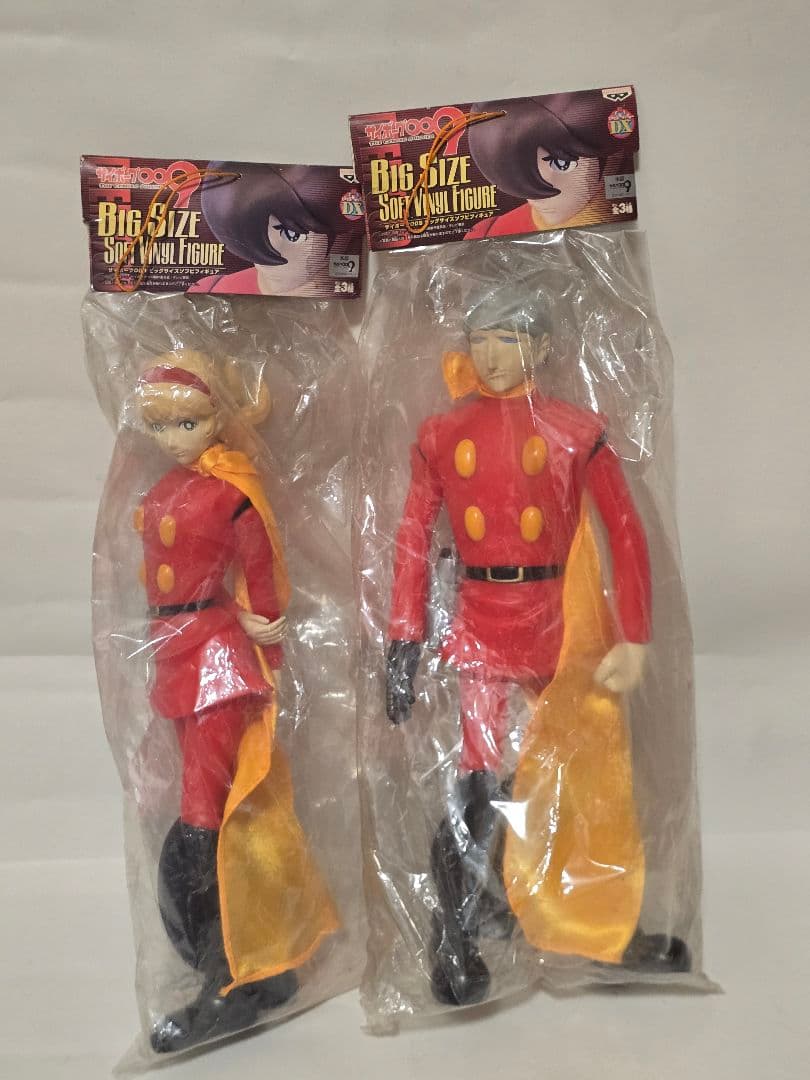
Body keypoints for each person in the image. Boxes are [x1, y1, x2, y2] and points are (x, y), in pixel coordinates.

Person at [386, 281, 689, 1006]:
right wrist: (403, 637)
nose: (492, 356)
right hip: (480, 626)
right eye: (481, 339)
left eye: (510, 339)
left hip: (561, 625)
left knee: (582, 773)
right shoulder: (442, 433)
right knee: (478, 779)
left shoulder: (576, 430)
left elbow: (625, 530)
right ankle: (456, 932)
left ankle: (599, 924)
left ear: (543, 347)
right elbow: (413, 537)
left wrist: (635, 635)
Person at [134, 350, 338, 1051]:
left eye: (187, 423)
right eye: (160, 426)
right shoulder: (163, 491)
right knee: (202, 818)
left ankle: (228, 976)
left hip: (219, 660)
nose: (173, 439)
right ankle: (247, 965)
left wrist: (266, 637)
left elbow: (263, 572)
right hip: (175, 654)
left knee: (201, 822)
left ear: (218, 418)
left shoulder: (232, 491)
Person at [465, 91, 635, 238]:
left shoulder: (625, 214)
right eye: (520, 170)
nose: (537, 197)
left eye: (562, 163)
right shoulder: (491, 231)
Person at [189, 162, 360, 297]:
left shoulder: (344, 289)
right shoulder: (211, 289)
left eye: (291, 234)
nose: (271, 249)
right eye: (254, 234)